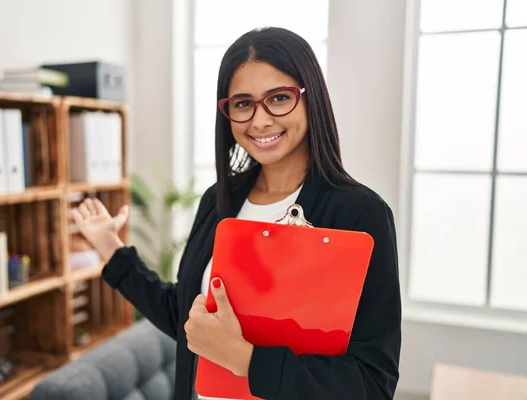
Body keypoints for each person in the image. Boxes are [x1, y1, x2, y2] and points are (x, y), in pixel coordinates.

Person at [71, 27, 401, 400]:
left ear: (312, 98)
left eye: (279, 98)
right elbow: (186, 320)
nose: (259, 121)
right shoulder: (218, 202)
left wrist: (246, 360)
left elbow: (373, 384)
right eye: (243, 104)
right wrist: (111, 248)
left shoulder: (360, 215)